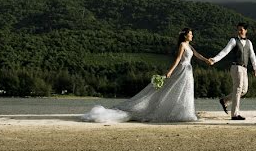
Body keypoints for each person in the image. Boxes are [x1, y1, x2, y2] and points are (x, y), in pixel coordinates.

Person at [82, 28, 210, 123]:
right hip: (182, 69)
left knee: (185, 91)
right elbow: (177, 59)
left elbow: (198, 55)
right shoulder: (182, 45)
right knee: (170, 89)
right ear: (185, 35)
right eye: (190, 33)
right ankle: (175, 112)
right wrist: (170, 71)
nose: (192, 35)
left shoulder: (190, 46)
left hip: (188, 71)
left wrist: (207, 60)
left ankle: (184, 112)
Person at [209, 22, 256, 120]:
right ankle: (235, 114)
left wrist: (255, 68)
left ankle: (225, 100)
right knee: (238, 89)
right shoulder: (233, 40)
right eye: (238, 29)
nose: (240, 31)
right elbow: (225, 51)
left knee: (244, 90)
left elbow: (252, 56)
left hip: (244, 68)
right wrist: (214, 59)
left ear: (246, 30)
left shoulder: (249, 42)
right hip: (236, 67)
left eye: (242, 29)